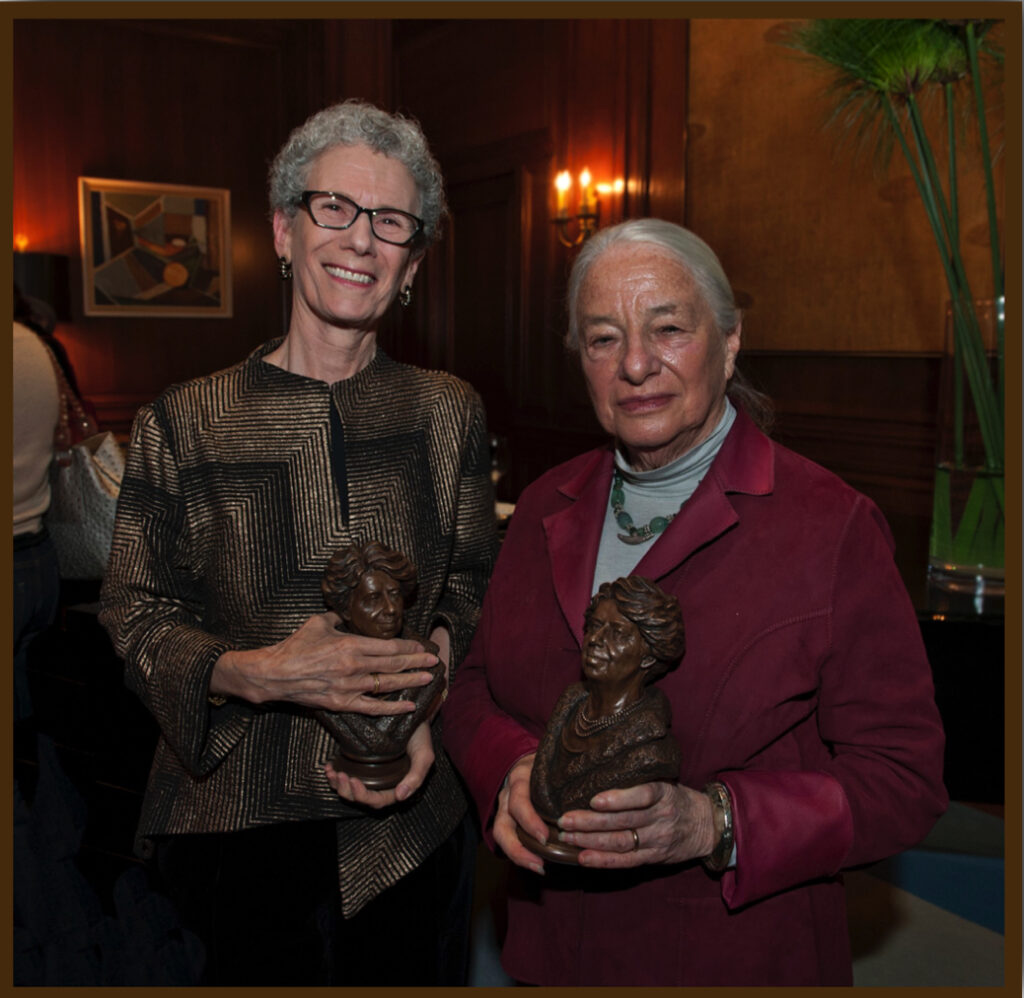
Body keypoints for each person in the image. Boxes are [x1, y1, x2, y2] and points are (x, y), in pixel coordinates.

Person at [442, 218, 947, 986]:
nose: (637, 364)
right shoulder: (547, 501)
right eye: (604, 338)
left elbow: (904, 780)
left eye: (669, 328)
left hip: (733, 958)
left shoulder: (830, 525)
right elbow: (473, 687)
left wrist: (713, 822)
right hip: (549, 952)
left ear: (731, 339)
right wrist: (512, 769)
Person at [99, 100, 497, 986]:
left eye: (391, 221)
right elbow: (133, 609)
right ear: (284, 230)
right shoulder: (187, 418)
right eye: (335, 209)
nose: (361, 239)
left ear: (412, 262)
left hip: (410, 824)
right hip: (234, 826)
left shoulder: (447, 412)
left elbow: (472, 584)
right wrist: (255, 672)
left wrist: (422, 706)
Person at [528, 575, 684, 829]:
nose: (594, 639)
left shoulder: (652, 753)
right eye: (595, 626)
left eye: (618, 633)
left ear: (647, 657)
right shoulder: (570, 706)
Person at [316, 540, 448, 781]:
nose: (390, 609)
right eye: (373, 598)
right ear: (345, 609)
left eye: (395, 595)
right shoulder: (319, 675)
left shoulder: (429, 665)